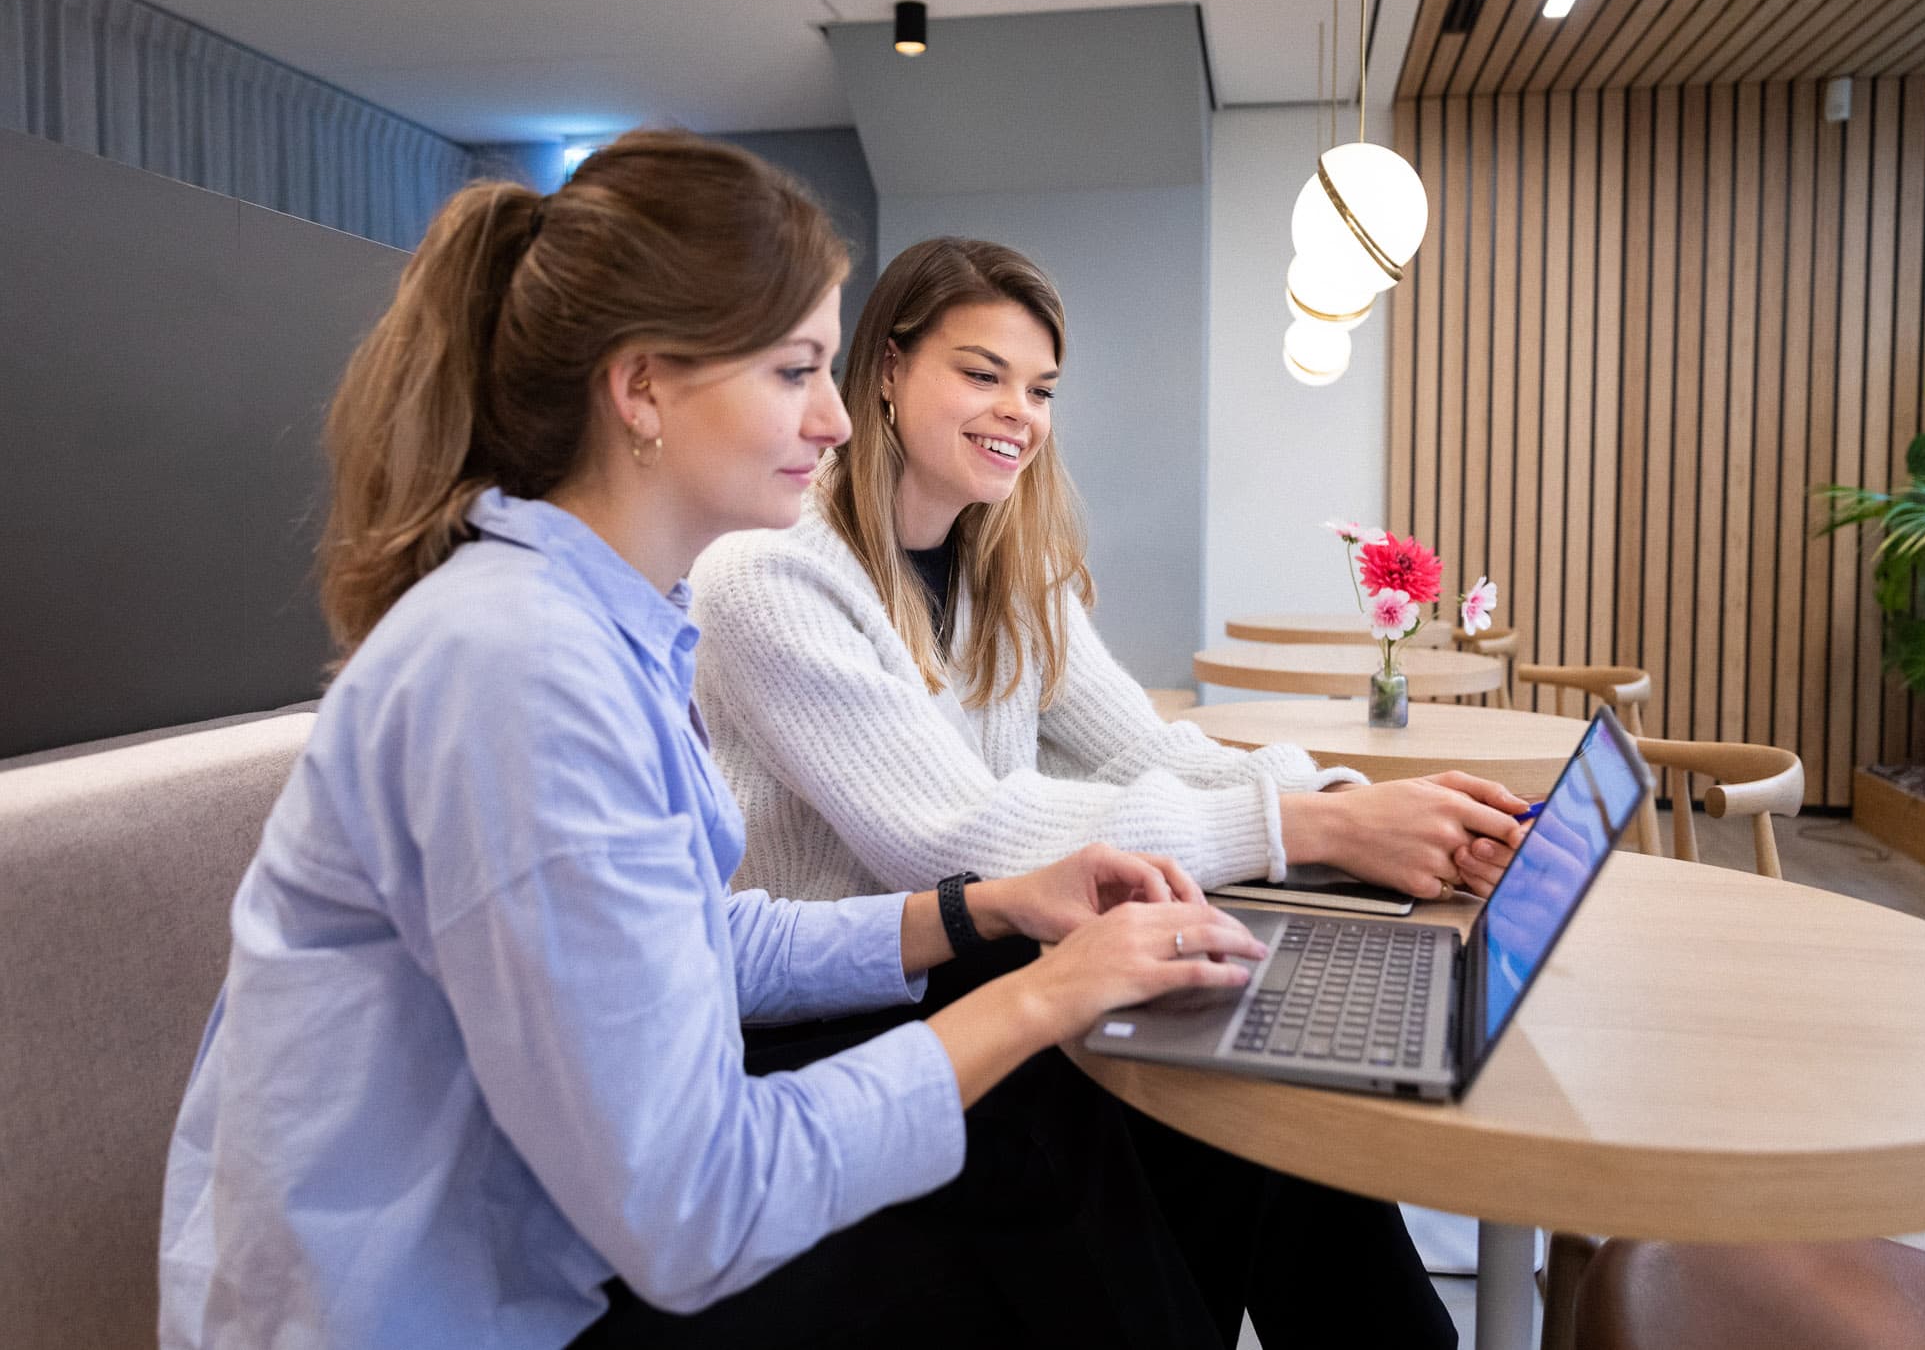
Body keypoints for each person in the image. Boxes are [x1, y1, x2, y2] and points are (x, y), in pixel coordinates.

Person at [156, 132, 1272, 1350]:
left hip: (570, 1239)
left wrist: (990, 910)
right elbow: (696, 1210)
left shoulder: (601, 625)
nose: (838, 421)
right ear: (641, 390)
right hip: (473, 1311)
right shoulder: (518, 668)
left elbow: (689, 935)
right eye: (796, 370)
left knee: (1096, 1122)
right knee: (1043, 1134)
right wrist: (1047, 991)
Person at [692, 236, 1533, 1345]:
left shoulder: (1006, 560)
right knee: (1132, 1107)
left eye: (1039, 389)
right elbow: (956, 837)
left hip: (973, 954)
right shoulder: (772, 569)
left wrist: (1346, 809)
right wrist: (1313, 823)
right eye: (981, 373)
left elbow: (1142, 749)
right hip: (843, 994)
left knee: (1259, 1075)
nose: (1018, 413)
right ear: (886, 370)